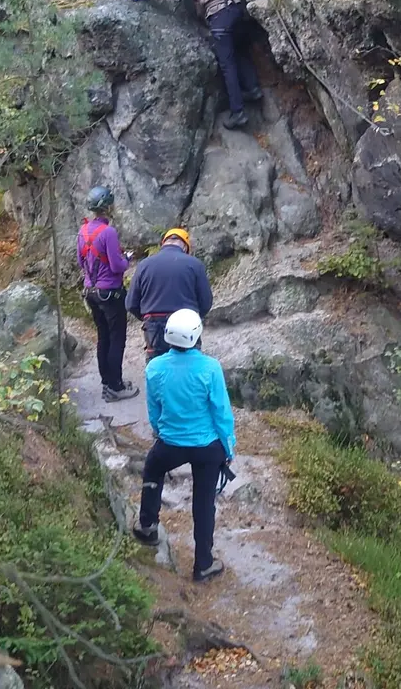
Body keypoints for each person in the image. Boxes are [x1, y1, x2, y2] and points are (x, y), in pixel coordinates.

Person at [131, 307, 235, 582]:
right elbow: (221, 412)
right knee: (204, 501)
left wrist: (159, 432)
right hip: (207, 446)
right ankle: (203, 563)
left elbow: (154, 408)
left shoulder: (155, 367)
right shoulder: (210, 368)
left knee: (152, 469)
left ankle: (148, 525)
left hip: (171, 442)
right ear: (197, 336)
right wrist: (228, 447)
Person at [131, 0, 262, 129]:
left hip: (219, 17)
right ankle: (253, 88)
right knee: (239, 50)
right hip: (235, 9)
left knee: (228, 65)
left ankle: (238, 112)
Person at [77, 186, 137, 403]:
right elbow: (116, 265)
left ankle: (106, 383)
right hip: (110, 293)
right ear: (107, 207)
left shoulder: (82, 231)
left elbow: (80, 262)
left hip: (91, 292)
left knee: (103, 338)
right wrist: (127, 258)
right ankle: (115, 386)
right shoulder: (108, 232)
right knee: (117, 339)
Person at [125, 227, 213, 357]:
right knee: (189, 366)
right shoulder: (195, 264)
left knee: (157, 368)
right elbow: (206, 302)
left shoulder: (144, 265)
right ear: (185, 247)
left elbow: (131, 304)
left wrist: (148, 317)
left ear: (164, 243)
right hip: (186, 325)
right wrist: (194, 319)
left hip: (154, 326)